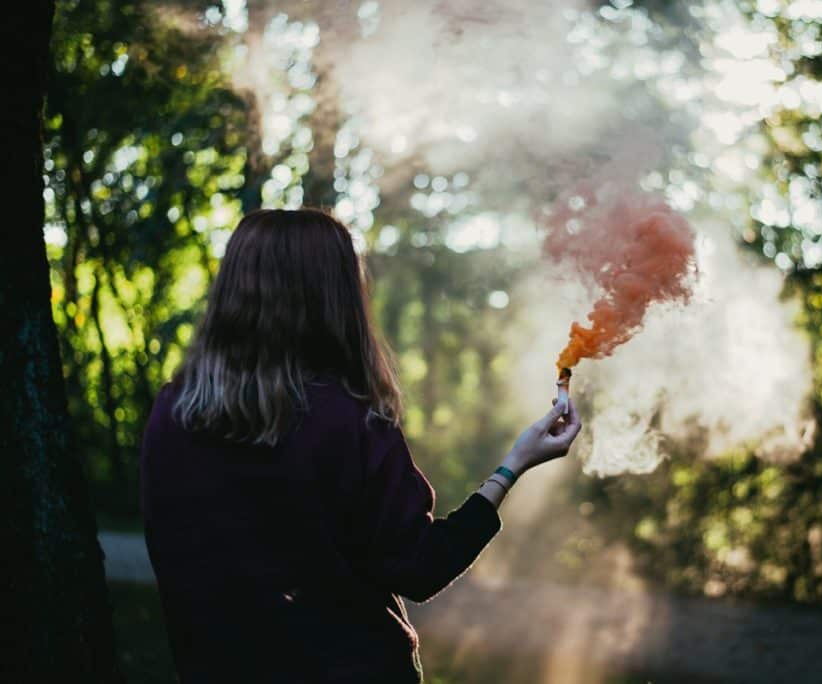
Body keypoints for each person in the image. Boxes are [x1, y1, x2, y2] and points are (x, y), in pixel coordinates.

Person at [140, 208, 582, 683]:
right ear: (334, 297)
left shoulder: (173, 413)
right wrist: (513, 466)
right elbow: (420, 567)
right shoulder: (347, 418)